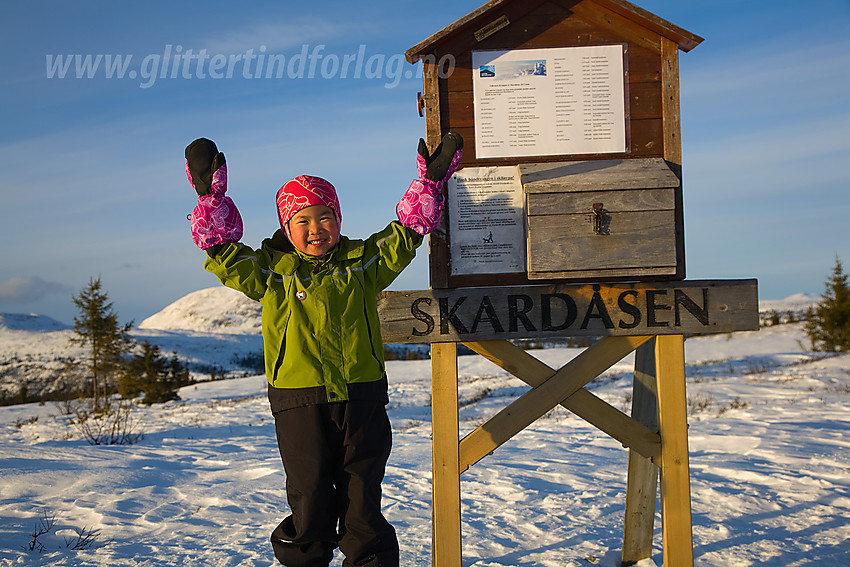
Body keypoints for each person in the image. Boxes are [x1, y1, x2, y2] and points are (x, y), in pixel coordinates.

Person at [184, 133, 463, 567]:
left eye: (326, 217)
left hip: (361, 397)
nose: (317, 229)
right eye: (303, 220)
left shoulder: (360, 263)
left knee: (362, 499)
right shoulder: (272, 272)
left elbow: (405, 236)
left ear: (338, 218)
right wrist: (210, 197)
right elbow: (222, 253)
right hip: (300, 401)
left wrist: (428, 184)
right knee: (310, 497)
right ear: (285, 225)